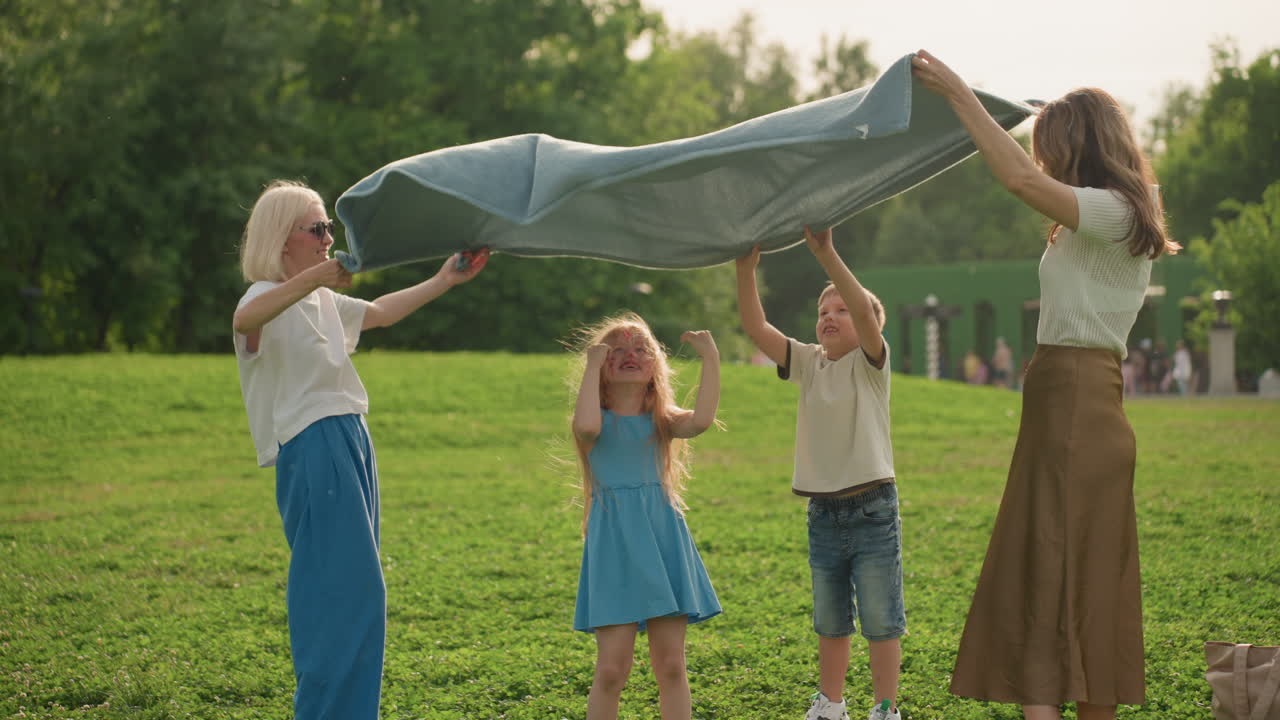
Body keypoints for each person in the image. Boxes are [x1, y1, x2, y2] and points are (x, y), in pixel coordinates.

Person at [912, 51, 1181, 720]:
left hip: (1078, 410)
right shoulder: (1099, 215)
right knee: (1064, 573)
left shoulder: (1121, 210)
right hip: (1063, 407)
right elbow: (1030, 179)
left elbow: (1015, 178)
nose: (1044, 163)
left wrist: (956, 93)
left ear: (1081, 145)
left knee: (1064, 574)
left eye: (1053, 150)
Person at [231, 180, 488, 719]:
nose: (329, 238)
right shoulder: (261, 296)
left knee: (354, 594)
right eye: (318, 228)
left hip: (351, 439)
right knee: (345, 595)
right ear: (283, 238)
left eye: (329, 227)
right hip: (314, 444)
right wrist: (314, 279)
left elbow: (380, 312)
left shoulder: (320, 299)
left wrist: (446, 278)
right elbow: (244, 322)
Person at [735, 228, 904, 720]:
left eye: (842, 311)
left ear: (869, 322)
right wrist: (746, 268)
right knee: (830, 619)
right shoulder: (808, 363)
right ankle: (830, 704)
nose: (829, 317)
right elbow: (755, 326)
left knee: (880, 617)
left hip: (873, 506)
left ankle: (885, 708)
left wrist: (826, 253)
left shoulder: (873, 363)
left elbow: (862, 309)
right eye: (822, 313)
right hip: (822, 511)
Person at [571, 313, 722, 720]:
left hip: (662, 541)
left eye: (641, 349)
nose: (629, 355)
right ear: (602, 367)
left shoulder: (663, 420)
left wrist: (711, 360)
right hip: (615, 548)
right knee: (610, 670)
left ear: (656, 365)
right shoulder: (594, 420)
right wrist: (590, 365)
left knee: (671, 665)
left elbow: (703, 420)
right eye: (616, 351)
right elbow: (584, 425)